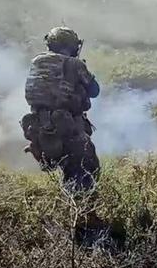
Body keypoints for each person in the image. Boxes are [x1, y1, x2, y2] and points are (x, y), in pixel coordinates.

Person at [20, 27, 100, 191]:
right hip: (67, 129)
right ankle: (79, 211)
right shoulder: (73, 64)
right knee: (87, 173)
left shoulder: (36, 61)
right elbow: (95, 91)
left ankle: (70, 207)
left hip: (40, 128)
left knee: (70, 173)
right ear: (71, 46)